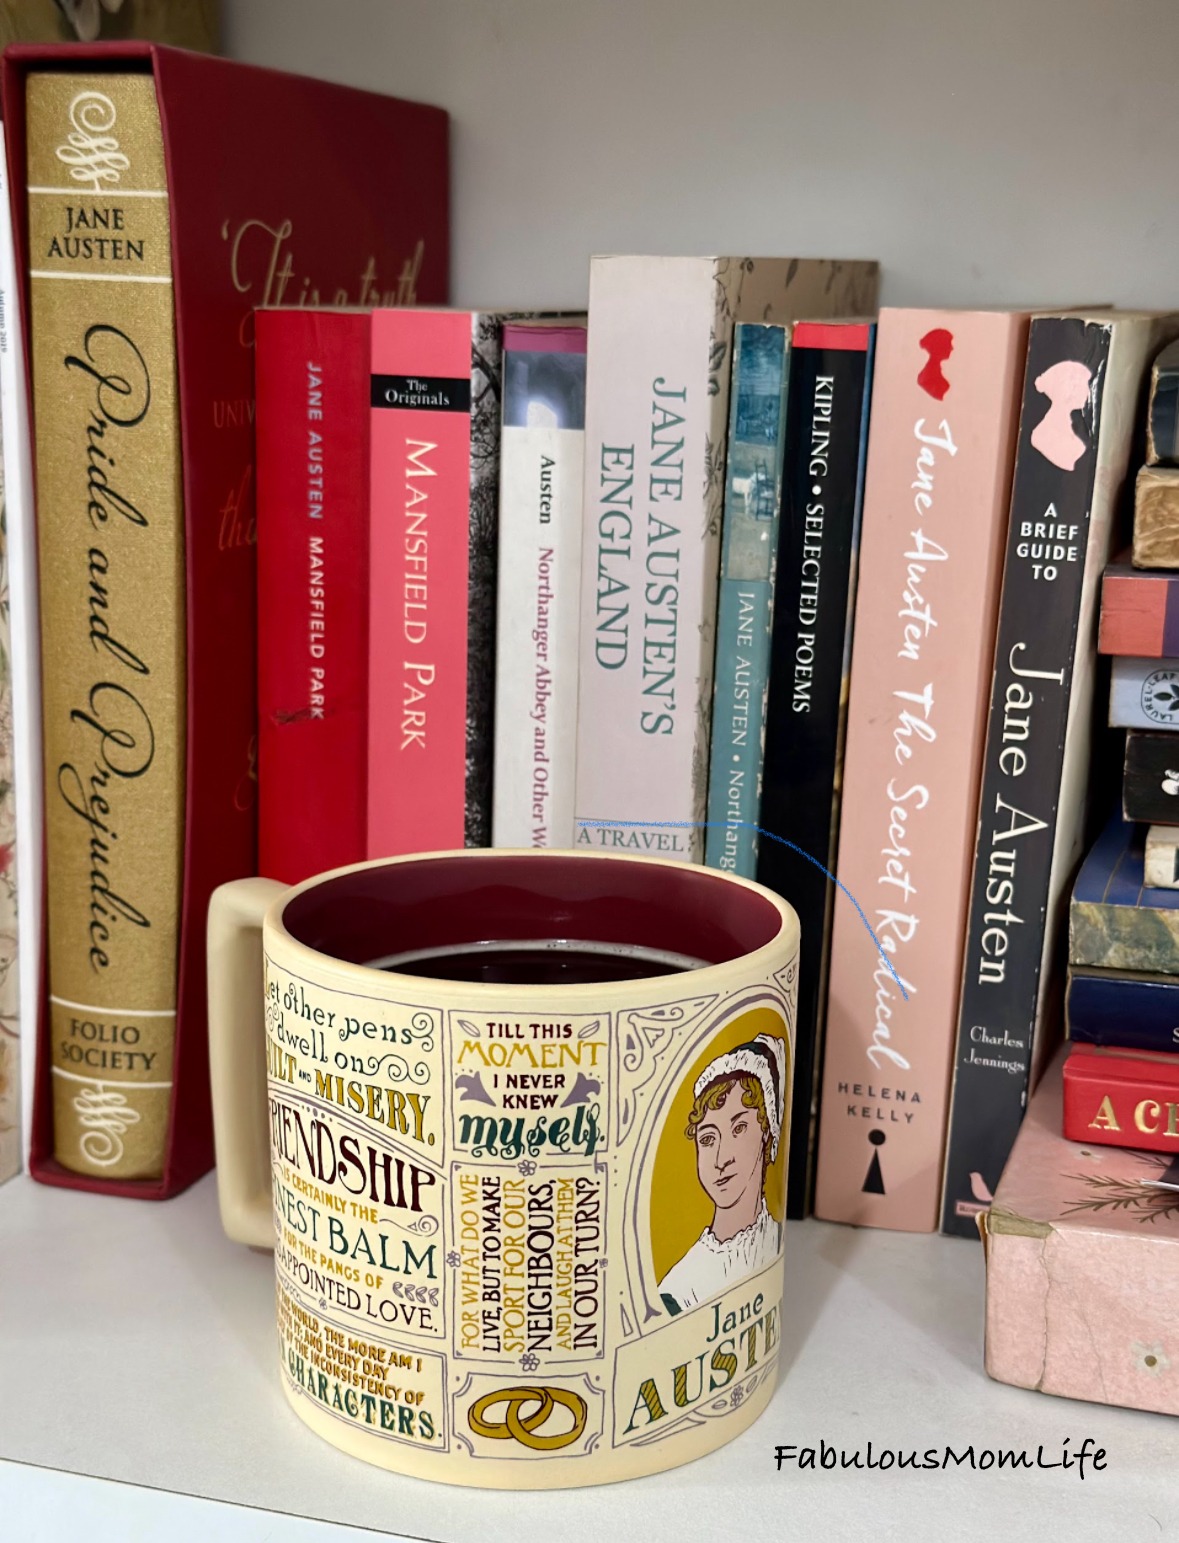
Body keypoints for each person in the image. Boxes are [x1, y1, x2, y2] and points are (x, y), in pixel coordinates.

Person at [657, 1032, 786, 1316]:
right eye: (707, 1139)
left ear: (767, 1131)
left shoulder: (776, 1239)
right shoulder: (678, 1290)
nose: (720, 1159)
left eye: (738, 1129)